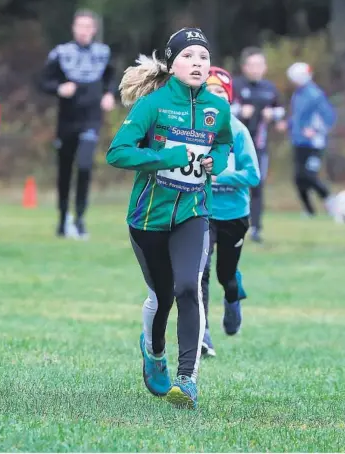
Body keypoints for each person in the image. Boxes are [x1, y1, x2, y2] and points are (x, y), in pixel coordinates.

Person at [106, 28, 233, 409]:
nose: (197, 63)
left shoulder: (217, 108)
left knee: (187, 287)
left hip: (195, 211)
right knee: (162, 297)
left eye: (203, 58)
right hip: (148, 217)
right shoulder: (153, 105)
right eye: (189, 56)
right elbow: (117, 153)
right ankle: (154, 350)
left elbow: (224, 142)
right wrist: (165, 158)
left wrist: (217, 162)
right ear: (172, 62)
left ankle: (187, 379)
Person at [200, 66, 260, 357]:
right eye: (208, 91)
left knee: (226, 274)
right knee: (200, 271)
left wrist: (219, 176)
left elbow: (253, 176)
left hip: (234, 214)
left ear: (229, 99)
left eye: (220, 92)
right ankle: (203, 334)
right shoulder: (193, 129)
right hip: (202, 212)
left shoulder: (238, 131)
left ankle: (233, 296)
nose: (214, 96)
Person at [40, 9, 116, 239]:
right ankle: (63, 219)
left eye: (88, 27)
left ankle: (80, 218)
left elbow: (112, 78)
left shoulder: (103, 53)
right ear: (73, 28)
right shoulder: (61, 53)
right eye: (79, 26)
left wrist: (110, 94)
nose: (83, 31)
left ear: (94, 30)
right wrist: (59, 88)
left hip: (91, 120)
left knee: (84, 166)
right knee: (64, 171)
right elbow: (42, 81)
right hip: (66, 121)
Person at [233, 47, 285, 243]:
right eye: (252, 65)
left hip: (259, 146)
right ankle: (233, 225)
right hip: (235, 146)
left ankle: (255, 228)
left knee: (257, 184)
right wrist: (238, 111)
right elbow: (220, 107)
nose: (256, 69)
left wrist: (274, 116)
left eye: (259, 65)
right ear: (244, 67)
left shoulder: (269, 88)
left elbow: (280, 110)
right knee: (234, 183)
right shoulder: (236, 86)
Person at [286, 62, 336, 218]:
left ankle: (329, 200)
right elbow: (298, 118)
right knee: (299, 178)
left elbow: (329, 116)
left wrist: (315, 130)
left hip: (314, 143)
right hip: (299, 142)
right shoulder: (297, 94)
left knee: (309, 175)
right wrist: (287, 124)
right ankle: (309, 210)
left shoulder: (315, 94)